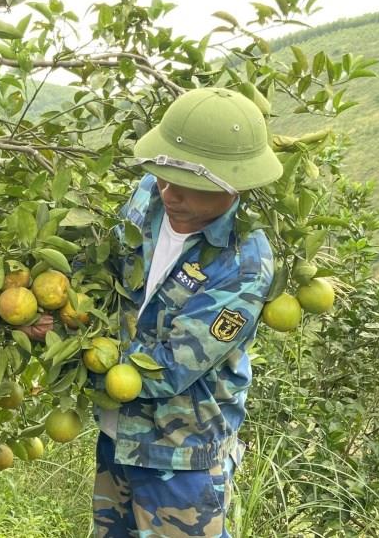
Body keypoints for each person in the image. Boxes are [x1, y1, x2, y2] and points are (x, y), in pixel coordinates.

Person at [93, 87, 283, 538]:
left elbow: (168, 368)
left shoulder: (244, 264)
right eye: (163, 175)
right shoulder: (150, 194)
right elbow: (104, 271)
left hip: (180, 457)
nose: (169, 192)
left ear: (232, 185)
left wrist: (67, 357)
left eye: (188, 184)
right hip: (117, 436)